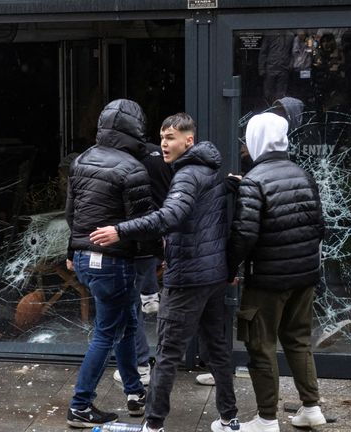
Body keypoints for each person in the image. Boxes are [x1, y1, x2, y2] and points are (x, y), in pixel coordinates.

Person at [91, 113, 239, 432]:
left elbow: (168, 216)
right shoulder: (212, 170)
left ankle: (153, 425)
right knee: (217, 350)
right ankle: (229, 418)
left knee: (167, 353)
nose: (163, 143)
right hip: (213, 276)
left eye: (170, 137)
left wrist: (120, 230)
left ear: (189, 140)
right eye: (161, 137)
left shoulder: (186, 175)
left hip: (187, 278)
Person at [227, 112, 326, 432]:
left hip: (268, 280)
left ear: (257, 139)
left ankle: (266, 418)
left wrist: (229, 267)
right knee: (298, 339)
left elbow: (245, 234)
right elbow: (320, 226)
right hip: (304, 275)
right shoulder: (302, 173)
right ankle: (311, 408)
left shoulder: (255, 180)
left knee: (260, 344)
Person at [65, 98, 153, 428]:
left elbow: (71, 214)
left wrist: (72, 253)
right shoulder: (133, 169)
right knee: (106, 333)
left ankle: (134, 392)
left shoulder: (82, 160)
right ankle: (80, 405)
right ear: (136, 129)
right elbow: (142, 224)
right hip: (114, 263)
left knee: (129, 322)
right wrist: (154, 264)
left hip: (88, 259)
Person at [113, 142, 172, 387]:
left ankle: (140, 365)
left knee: (130, 308)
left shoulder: (122, 163)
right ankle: (150, 293)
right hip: (157, 238)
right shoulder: (161, 159)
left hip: (132, 241)